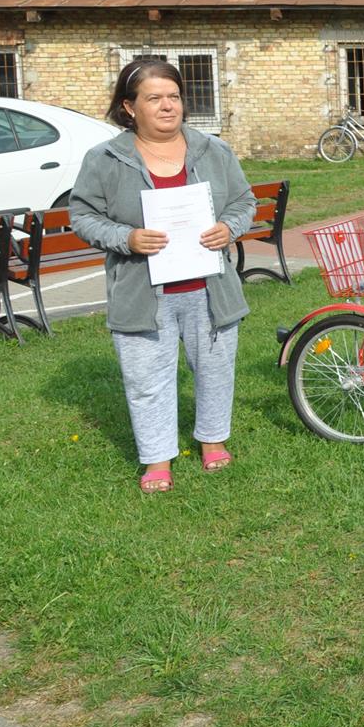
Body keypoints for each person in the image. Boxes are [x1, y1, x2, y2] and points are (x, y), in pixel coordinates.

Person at [71, 59, 256, 493]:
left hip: (210, 289)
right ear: (129, 107)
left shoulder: (214, 150)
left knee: (214, 368)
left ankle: (213, 439)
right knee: (146, 378)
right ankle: (157, 458)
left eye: (173, 96)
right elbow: (82, 216)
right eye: (154, 98)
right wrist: (127, 237)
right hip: (142, 292)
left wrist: (229, 227)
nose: (168, 106)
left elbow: (244, 201)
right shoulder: (105, 159)